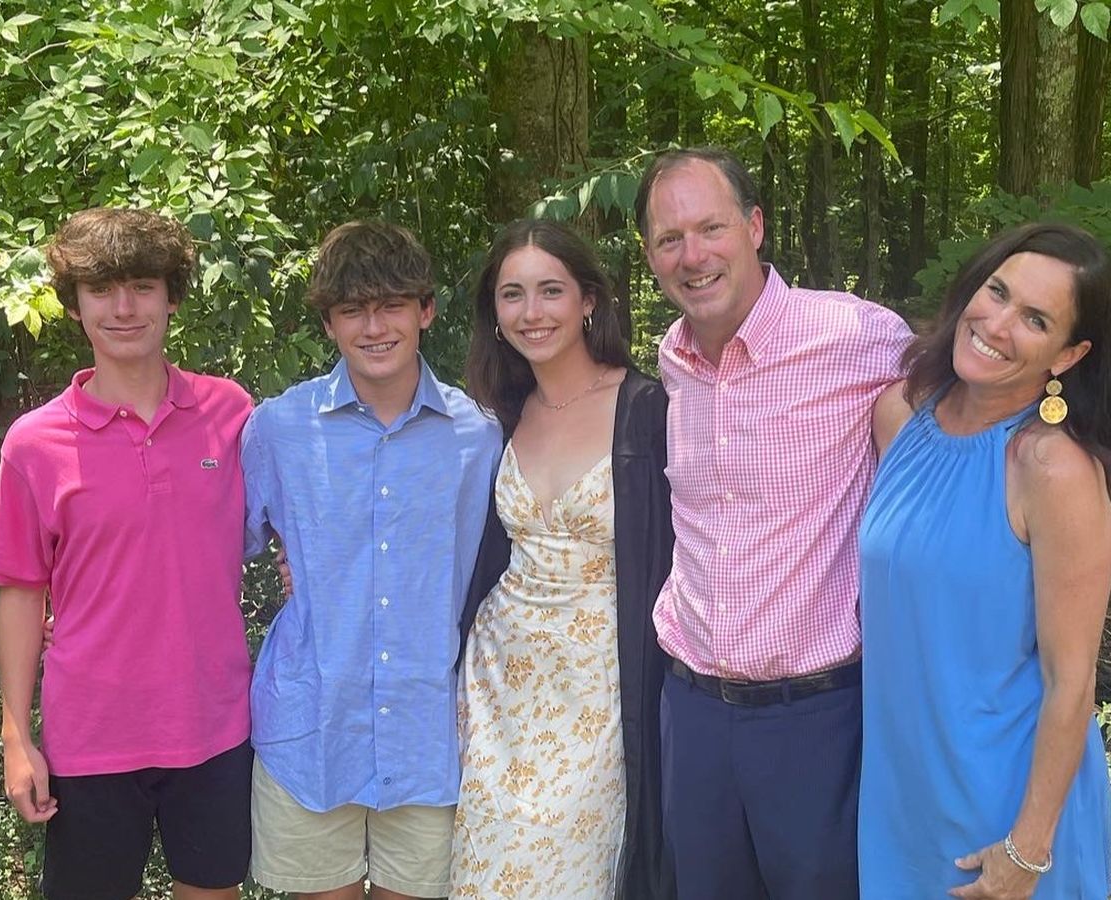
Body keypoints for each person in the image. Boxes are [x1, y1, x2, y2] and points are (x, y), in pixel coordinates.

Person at [634, 147, 914, 899]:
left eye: (712, 228)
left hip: (818, 720)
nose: (693, 255)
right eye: (669, 239)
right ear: (650, 256)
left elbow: (971, 423)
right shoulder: (671, 360)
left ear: (754, 227)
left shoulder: (859, 336)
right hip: (692, 715)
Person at [0, 208, 254, 900]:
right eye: (101, 290)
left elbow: (296, 525)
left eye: (142, 286)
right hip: (91, 737)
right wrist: (17, 737)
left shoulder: (232, 414)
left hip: (215, 727)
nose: (124, 308)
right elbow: (20, 591)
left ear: (172, 297)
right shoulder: (33, 443)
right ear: (75, 306)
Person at [242, 220, 503, 900]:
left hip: (429, 737)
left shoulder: (478, 436)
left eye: (392, 305)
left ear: (426, 311)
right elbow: (214, 552)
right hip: (311, 730)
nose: (375, 326)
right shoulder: (277, 429)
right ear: (329, 322)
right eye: (353, 309)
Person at [859, 222, 1111, 899]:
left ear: (1068, 355)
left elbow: (1071, 681)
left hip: (1007, 809)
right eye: (997, 292)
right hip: (903, 791)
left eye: (1035, 319)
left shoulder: (1052, 469)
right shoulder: (900, 416)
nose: (997, 324)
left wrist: (1027, 848)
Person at [451, 219, 675, 899]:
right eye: (512, 294)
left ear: (588, 301)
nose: (532, 312)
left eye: (551, 290)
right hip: (495, 685)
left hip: (599, 689)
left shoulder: (648, 409)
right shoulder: (497, 415)